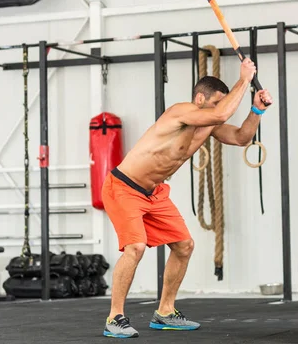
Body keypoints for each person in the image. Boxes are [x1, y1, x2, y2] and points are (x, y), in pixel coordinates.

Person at [101, 58, 273, 338]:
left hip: (153, 192)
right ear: (199, 99)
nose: (220, 109)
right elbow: (220, 115)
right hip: (123, 187)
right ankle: (114, 317)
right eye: (215, 103)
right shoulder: (180, 112)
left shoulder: (209, 124)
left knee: (184, 245)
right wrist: (244, 79)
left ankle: (165, 312)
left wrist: (256, 110)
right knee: (136, 247)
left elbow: (242, 137)